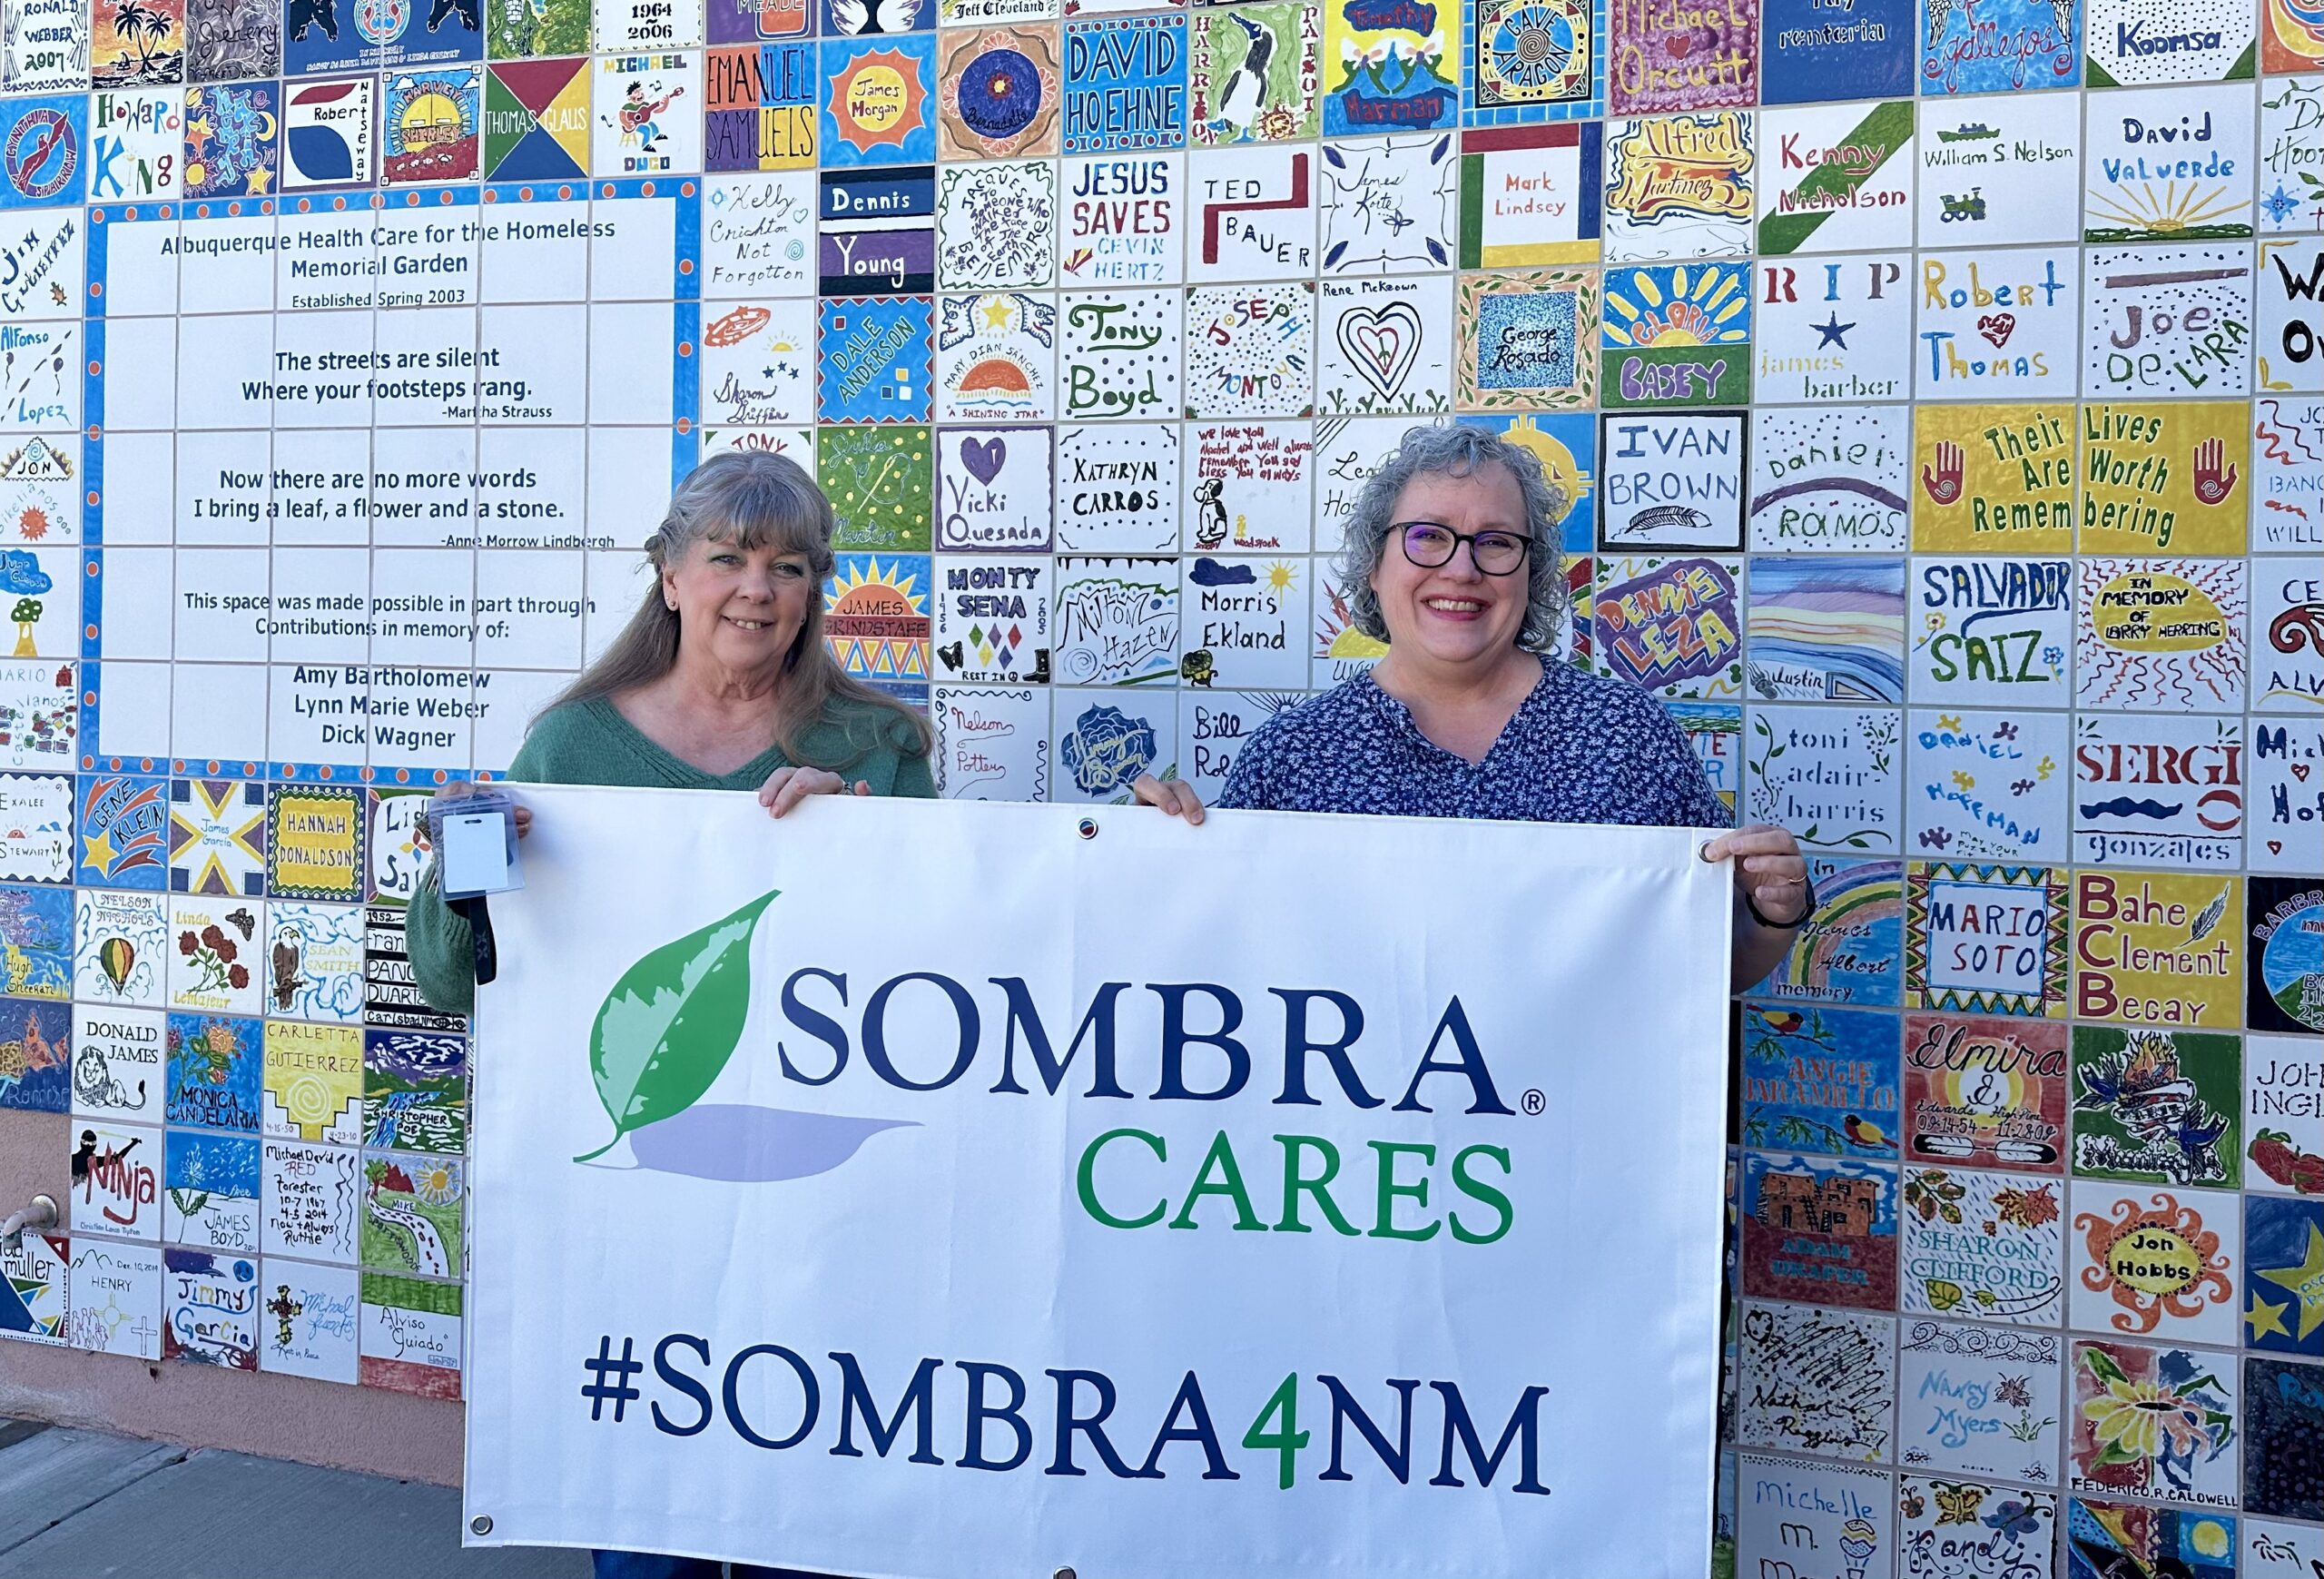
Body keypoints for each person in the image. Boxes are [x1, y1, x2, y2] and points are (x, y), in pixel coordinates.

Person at [406, 450, 931, 1579]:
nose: (759, 587)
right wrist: (460, 864)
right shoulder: (572, 747)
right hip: (636, 1214)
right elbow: (459, 982)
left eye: (789, 564)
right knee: (654, 1527)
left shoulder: (875, 744)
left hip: (820, 1205)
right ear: (670, 576)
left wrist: (868, 845)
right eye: (729, 556)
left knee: (816, 1516)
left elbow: (941, 973)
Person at [1131, 423, 1811, 986]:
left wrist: (1771, 914)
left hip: (1578, 1139)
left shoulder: (1628, 735)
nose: (1462, 569)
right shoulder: (1291, 757)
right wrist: (1141, 864)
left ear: (1531, 573)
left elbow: (1702, 971)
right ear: (1375, 564)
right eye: (1427, 536)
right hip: (1364, 1146)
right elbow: (1222, 964)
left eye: (1496, 543)